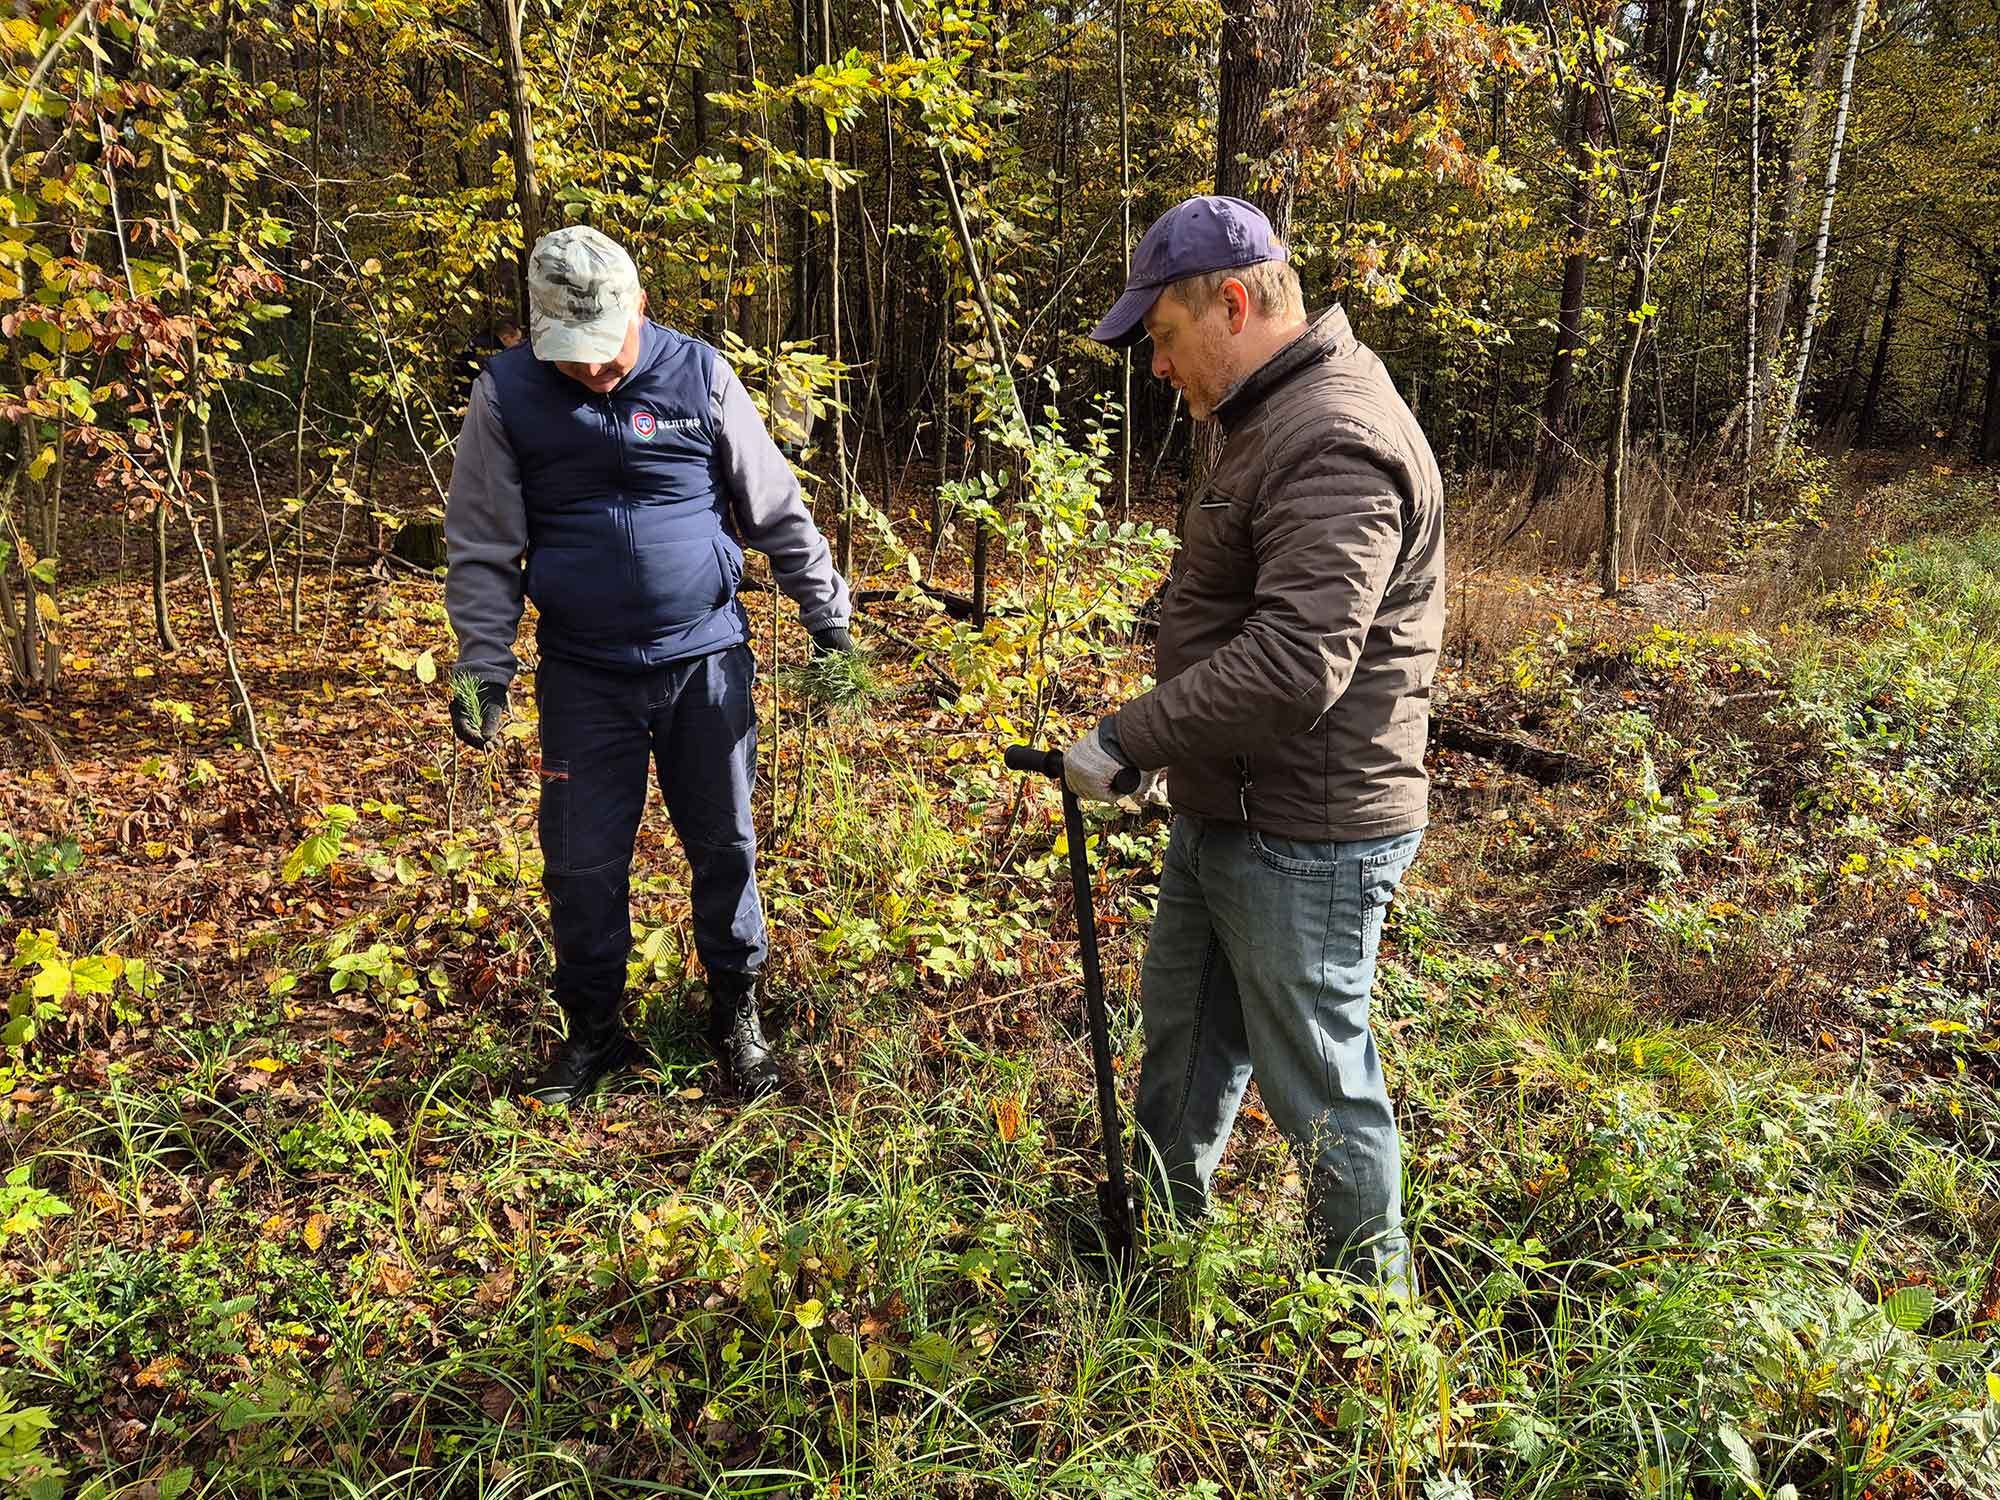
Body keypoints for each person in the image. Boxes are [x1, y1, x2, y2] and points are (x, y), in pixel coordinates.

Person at [1070, 196, 1444, 1292]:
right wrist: (1171, 756)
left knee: (1321, 1089)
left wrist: (1129, 737)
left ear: (1230, 303)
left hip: (1309, 832)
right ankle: (1159, 1251)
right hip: (1228, 804)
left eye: (1163, 338)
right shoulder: (1267, 414)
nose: (1156, 368)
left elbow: (1294, 661)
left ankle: (1368, 1324)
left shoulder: (1331, 432)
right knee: (1183, 1040)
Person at [444, 226, 854, 1107]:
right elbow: (481, 545)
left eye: (604, 351)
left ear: (639, 306)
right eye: (571, 355)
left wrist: (828, 614)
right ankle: (593, 1031)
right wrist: (482, 668)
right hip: (583, 674)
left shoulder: (700, 375)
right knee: (581, 861)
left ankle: (734, 1013)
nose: (591, 372)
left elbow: (776, 507)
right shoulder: (508, 394)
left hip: (704, 660)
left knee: (726, 846)